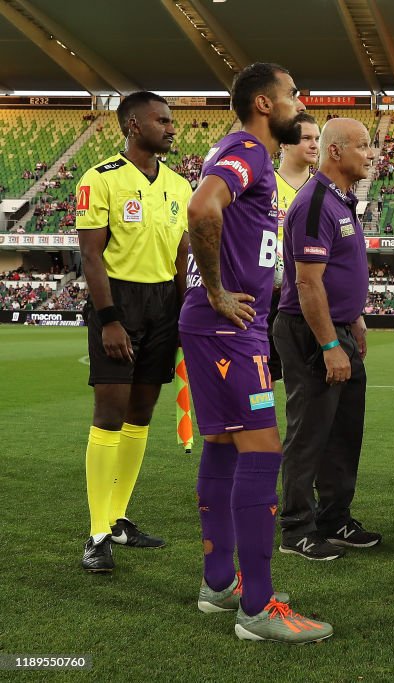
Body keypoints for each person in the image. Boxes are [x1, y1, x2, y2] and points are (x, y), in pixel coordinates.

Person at [179, 62, 331, 642]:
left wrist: (200, 296)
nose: (299, 103)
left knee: (221, 445)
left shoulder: (236, 150)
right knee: (263, 451)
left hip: (215, 326)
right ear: (266, 104)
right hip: (227, 329)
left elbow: (200, 224)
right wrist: (216, 292)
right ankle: (259, 609)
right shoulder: (248, 150)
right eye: (293, 95)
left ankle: (220, 584)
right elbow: (200, 210)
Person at [76, 91, 192, 573]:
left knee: (141, 412)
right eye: (161, 120)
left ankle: (120, 519)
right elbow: (92, 256)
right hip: (119, 302)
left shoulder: (181, 185)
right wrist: (109, 319)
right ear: (132, 126)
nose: (171, 128)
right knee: (110, 411)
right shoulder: (100, 178)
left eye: (171, 121)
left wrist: (185, 314)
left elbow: (183, 255)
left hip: (164, 303)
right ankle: (97, 532)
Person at [273, 117, 382, 559]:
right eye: (362, 146)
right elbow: (307, 284)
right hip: (311, 332)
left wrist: (353, 321)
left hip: (340, 328)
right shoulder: (316, 203)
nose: (370, 154)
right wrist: (330, 345)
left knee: (343, 431)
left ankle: (335, 518)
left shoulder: (341, 201)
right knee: (310, 432)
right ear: (335, 152)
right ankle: (297, 527)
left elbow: (338, 274)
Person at [270, 112, 319, 383]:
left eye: (317, 139)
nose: (314, 145)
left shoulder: (323, 190)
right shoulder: (266, 185)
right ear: (285, 144)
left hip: (312, 295)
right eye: (306, 138)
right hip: (271, 297)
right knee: (267, 377)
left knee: (308, 379)